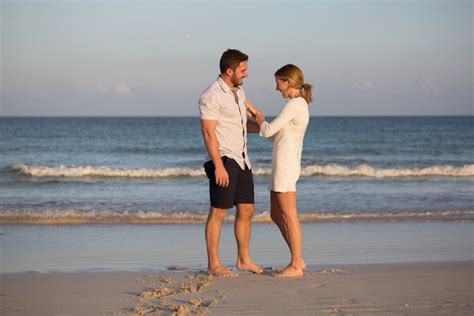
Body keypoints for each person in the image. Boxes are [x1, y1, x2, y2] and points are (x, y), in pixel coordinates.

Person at [199, 49, 263, 277]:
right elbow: (208, 133)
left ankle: (243, 260)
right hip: (223, 158)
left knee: (247, 209)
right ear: (229, 71)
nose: (246, 74)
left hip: (242, 158)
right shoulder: (212, 95)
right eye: (243, 70)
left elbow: (243, 125)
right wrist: (218, 166)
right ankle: (213, 264)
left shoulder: (239, 92)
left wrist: (268, 128)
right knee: (218, 212)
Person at [245, 64, 312, 277]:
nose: (276, 88)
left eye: (278, 83)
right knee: (276, 214)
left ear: (288, 82)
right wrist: (250, 122)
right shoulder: (295, 105)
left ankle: (296, 264)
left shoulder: (295, 104)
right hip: (280, 164)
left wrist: (259, 114)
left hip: (286, 166)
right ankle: (298, 258)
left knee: (289, 214)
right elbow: (274, 135)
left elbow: (269, 130)